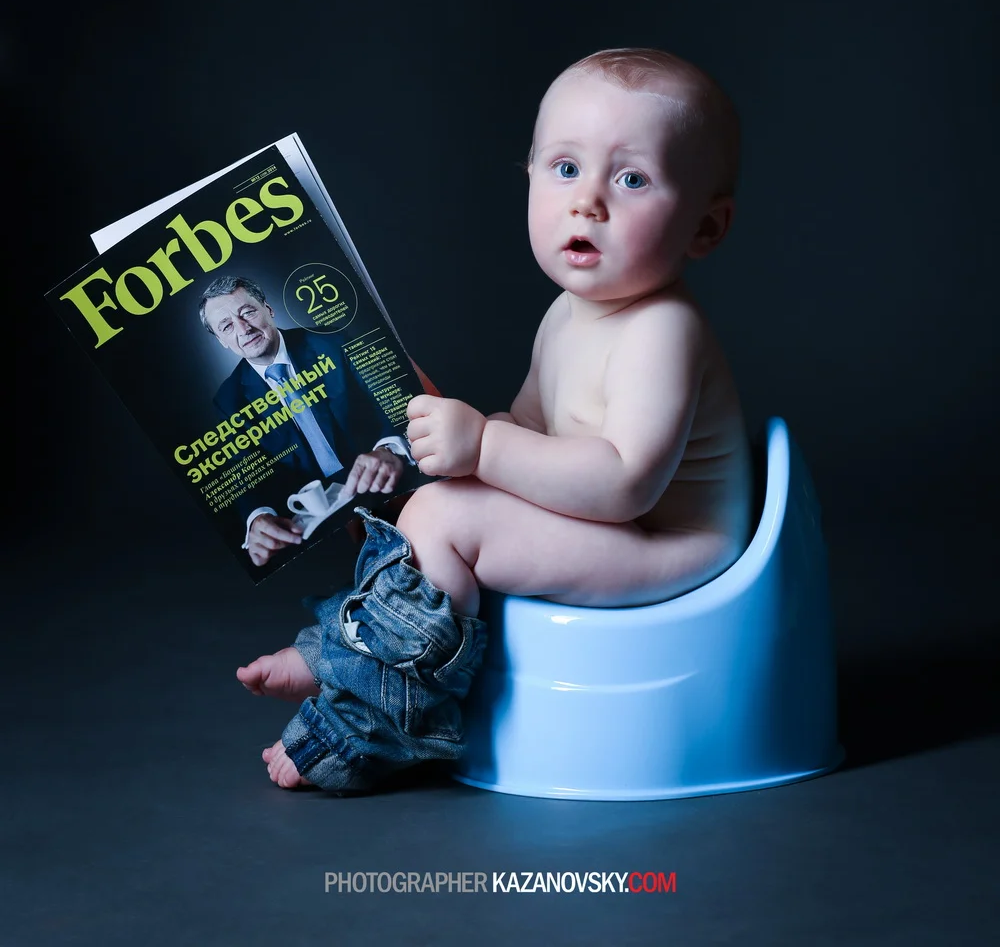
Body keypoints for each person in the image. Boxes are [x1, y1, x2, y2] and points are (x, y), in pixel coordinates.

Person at [237, 47, 755, 790]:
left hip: (669, 547)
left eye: (632, 178)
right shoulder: (567, 314)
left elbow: (622, 483)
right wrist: (440, 432)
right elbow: (532, 429)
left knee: (450, 518)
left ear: (705, 229)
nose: (588, 203)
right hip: (616, 528)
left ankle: (365, 725)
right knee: (428, 499)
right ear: (531, 179)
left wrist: (480, 446)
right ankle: (346, 657)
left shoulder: (661, 331)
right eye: (565, 168)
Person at [200, 275, 413, 568]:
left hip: (387, 490)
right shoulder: (227, 400)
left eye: (247, 312)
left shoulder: (333, 340)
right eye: (226, 326)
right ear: (222, 341)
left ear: (268, 309)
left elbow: (394, 399)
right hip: (322, 535)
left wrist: (389, 451)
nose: (243, 329)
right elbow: (244, 473)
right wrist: (257, 518)